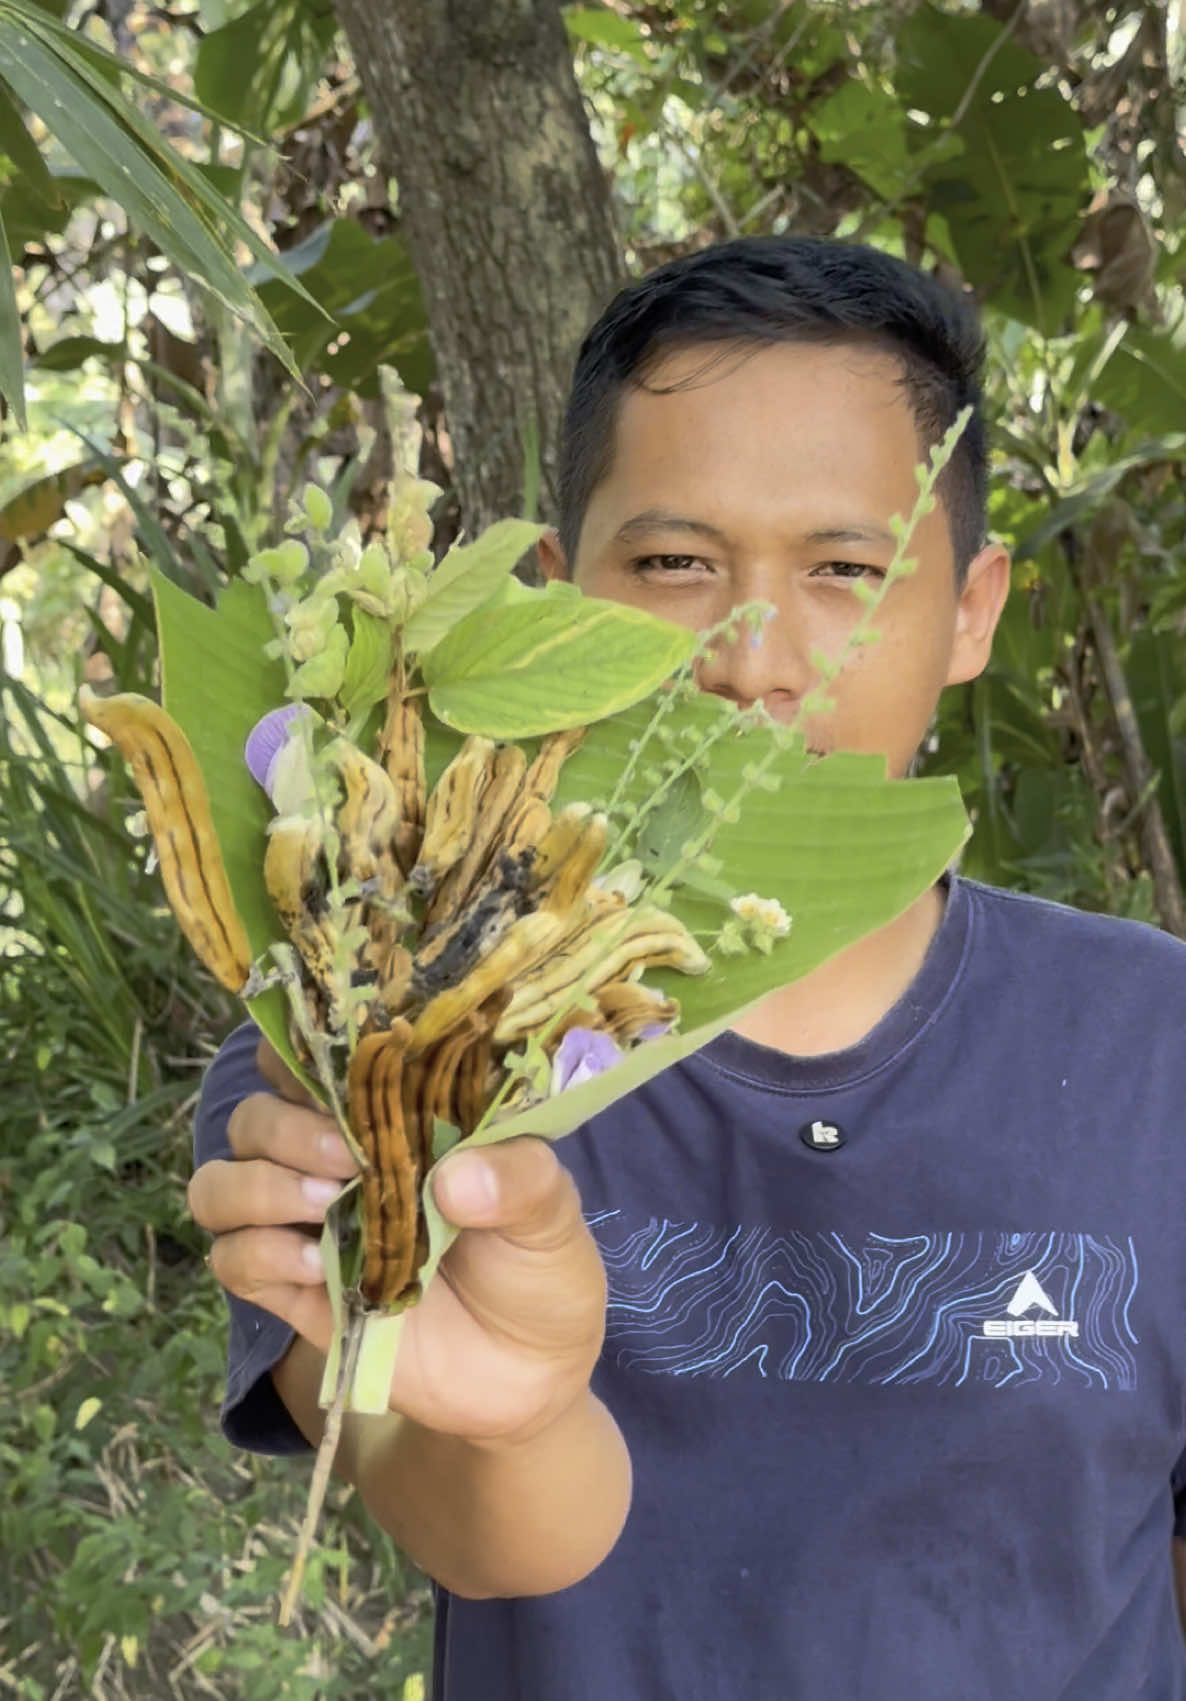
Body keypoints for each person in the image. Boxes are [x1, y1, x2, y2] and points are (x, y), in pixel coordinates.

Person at [189, 236, 1186, 1699]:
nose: (751, 657)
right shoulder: (361, 1038)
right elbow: (475, 1532)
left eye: (846, 567)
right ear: (551, 595)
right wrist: (512, 1411)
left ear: (970, 610)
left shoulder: (1153, 1045)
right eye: (672, 564)